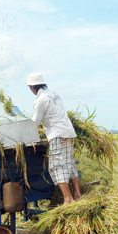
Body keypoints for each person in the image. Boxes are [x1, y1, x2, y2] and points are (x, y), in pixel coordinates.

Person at [28, 72, 81, 205]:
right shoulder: (54, 94)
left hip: (57, 134)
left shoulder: (40, 100)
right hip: (68, 132)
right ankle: (77, 194)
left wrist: (26, 135)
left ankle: (68, 199)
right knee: (69, 163)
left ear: (33, 87)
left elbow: (35, 122)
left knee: (56, 166)